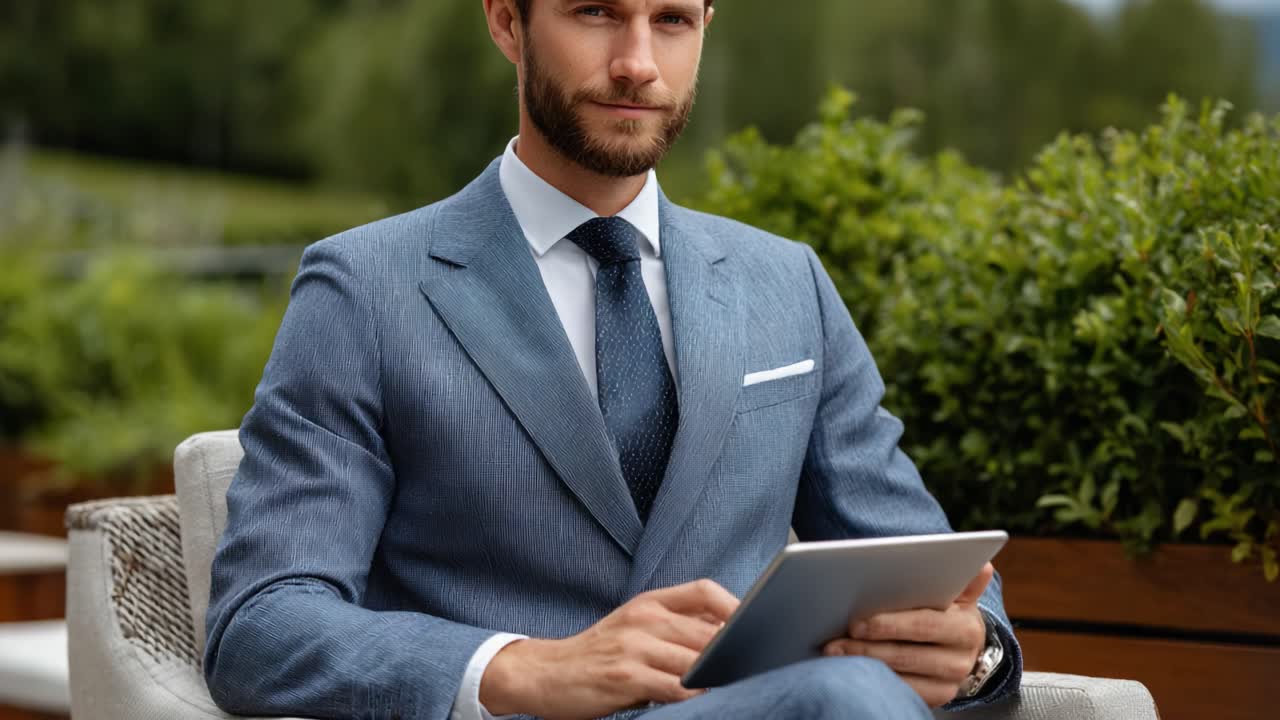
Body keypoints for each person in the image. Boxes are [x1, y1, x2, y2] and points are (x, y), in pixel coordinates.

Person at [203, 1, 1023, 718]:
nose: (636, 64)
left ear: (705, 29)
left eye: (671, 20)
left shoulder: (788, 284)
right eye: (595, 12)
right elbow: (261, 625)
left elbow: (937, 574)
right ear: (506, 22)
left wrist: (971, 651)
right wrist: (525, 667)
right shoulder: (364, 289)